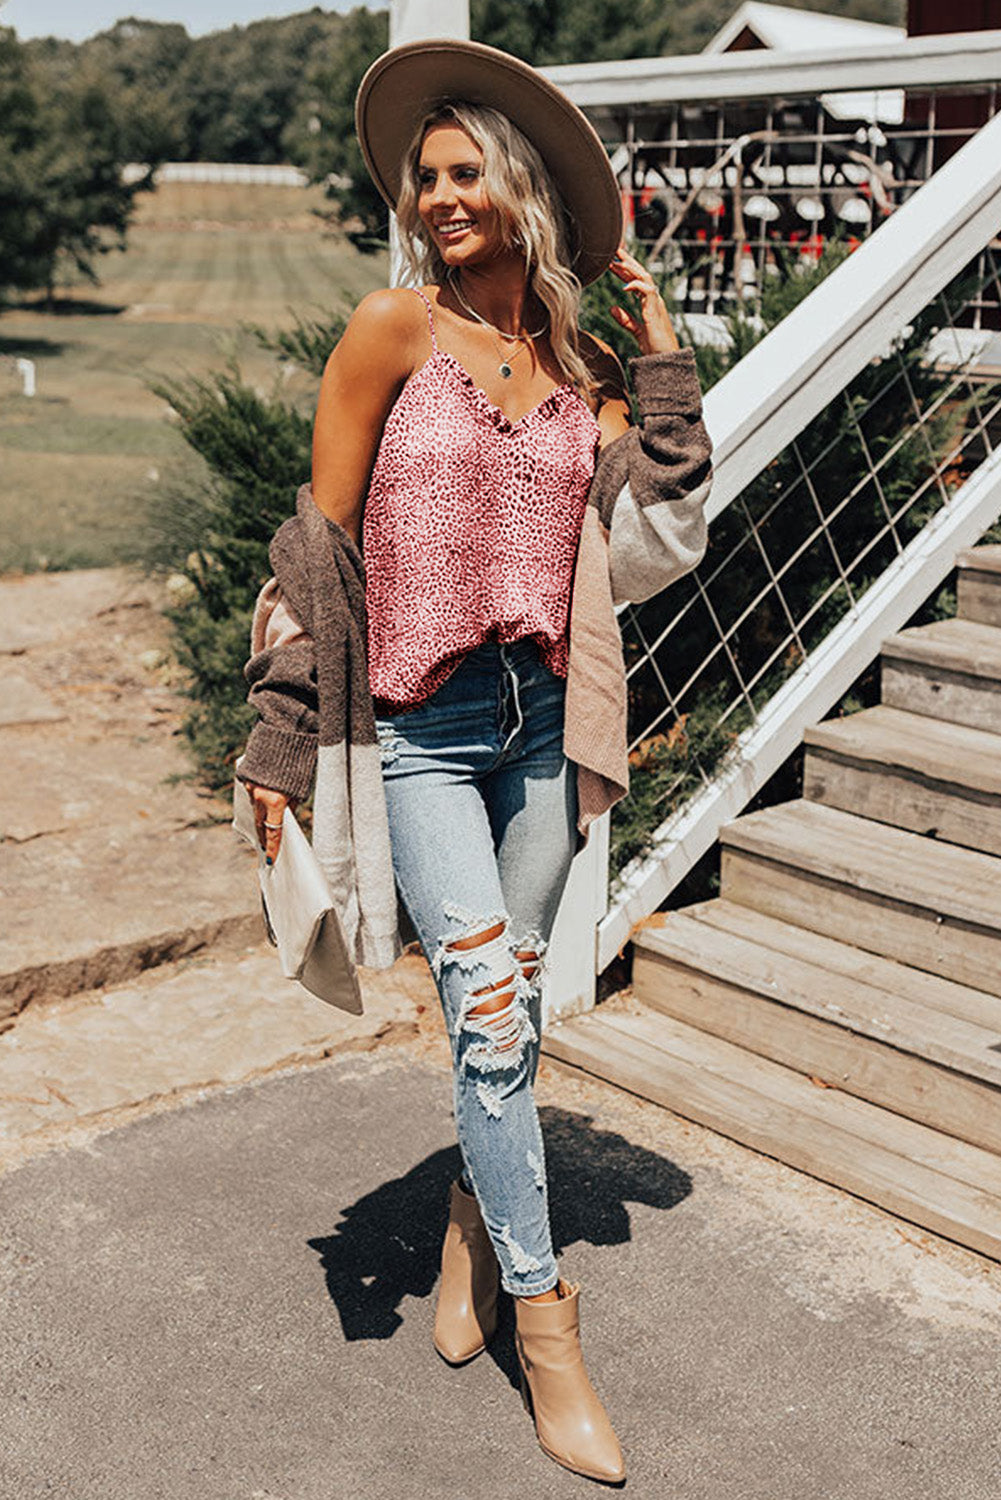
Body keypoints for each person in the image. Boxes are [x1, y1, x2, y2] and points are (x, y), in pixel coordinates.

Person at [237, 38, 713, 1486]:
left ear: (517, 190)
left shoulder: (573, 372)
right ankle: (543, 1320)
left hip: (543, 723)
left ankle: (467, 1214)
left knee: (496, 1030)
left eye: (461, 173)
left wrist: (661, 357)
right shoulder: (389, 330)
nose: (435, 195)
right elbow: (314, 548)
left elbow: (661, 543)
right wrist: (272, 734)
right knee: (494, 1013)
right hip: (431, 733)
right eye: (421, 177)